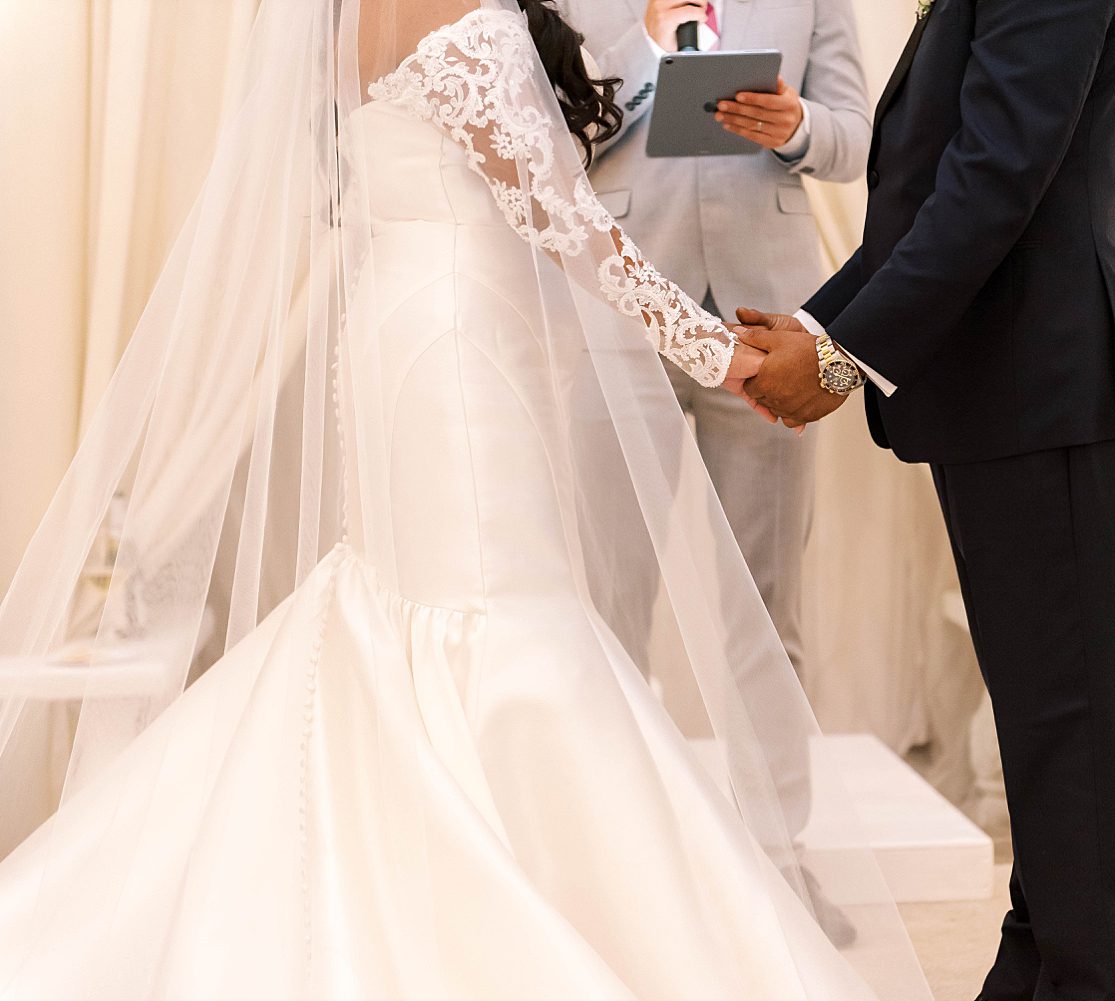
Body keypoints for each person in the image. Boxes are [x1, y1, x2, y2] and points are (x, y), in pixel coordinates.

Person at [0, 2, 930, 998]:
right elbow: (568, 220)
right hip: (457, 346)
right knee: (499, 612)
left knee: (411, 607)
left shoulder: (344, 19)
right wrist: (720, 348)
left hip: (403, 323)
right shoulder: (462, 15)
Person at [736, 1, 1115, 999]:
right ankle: (1035, 962)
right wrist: (813, 324)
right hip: (997, 381)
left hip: (1039, 378)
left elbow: (997, 171)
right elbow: (928, 185)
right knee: (1041, 725)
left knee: (1067, 730)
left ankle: (1088, 977)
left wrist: (838, 358)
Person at [552, 0, 870, 682]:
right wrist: (645, 50)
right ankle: (622, 789)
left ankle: (775, 793)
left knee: (768, 610)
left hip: (766, 321)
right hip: (625, 313)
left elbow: (857, 139)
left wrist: (798, 127)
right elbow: (548, 142)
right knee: (611, 606)